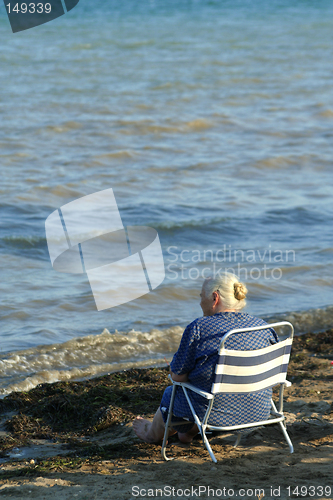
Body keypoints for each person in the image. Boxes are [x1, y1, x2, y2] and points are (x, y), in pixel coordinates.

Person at [132, 272, 279, 444]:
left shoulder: (199, 328)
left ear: (214, 298)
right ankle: (188, 433)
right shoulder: (263, 326)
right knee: (205, 387)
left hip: (216, 415)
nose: (200, 302)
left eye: (201, 297)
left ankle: (151, 434)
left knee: (173, 392)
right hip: (257, 412)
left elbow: (178, 377)